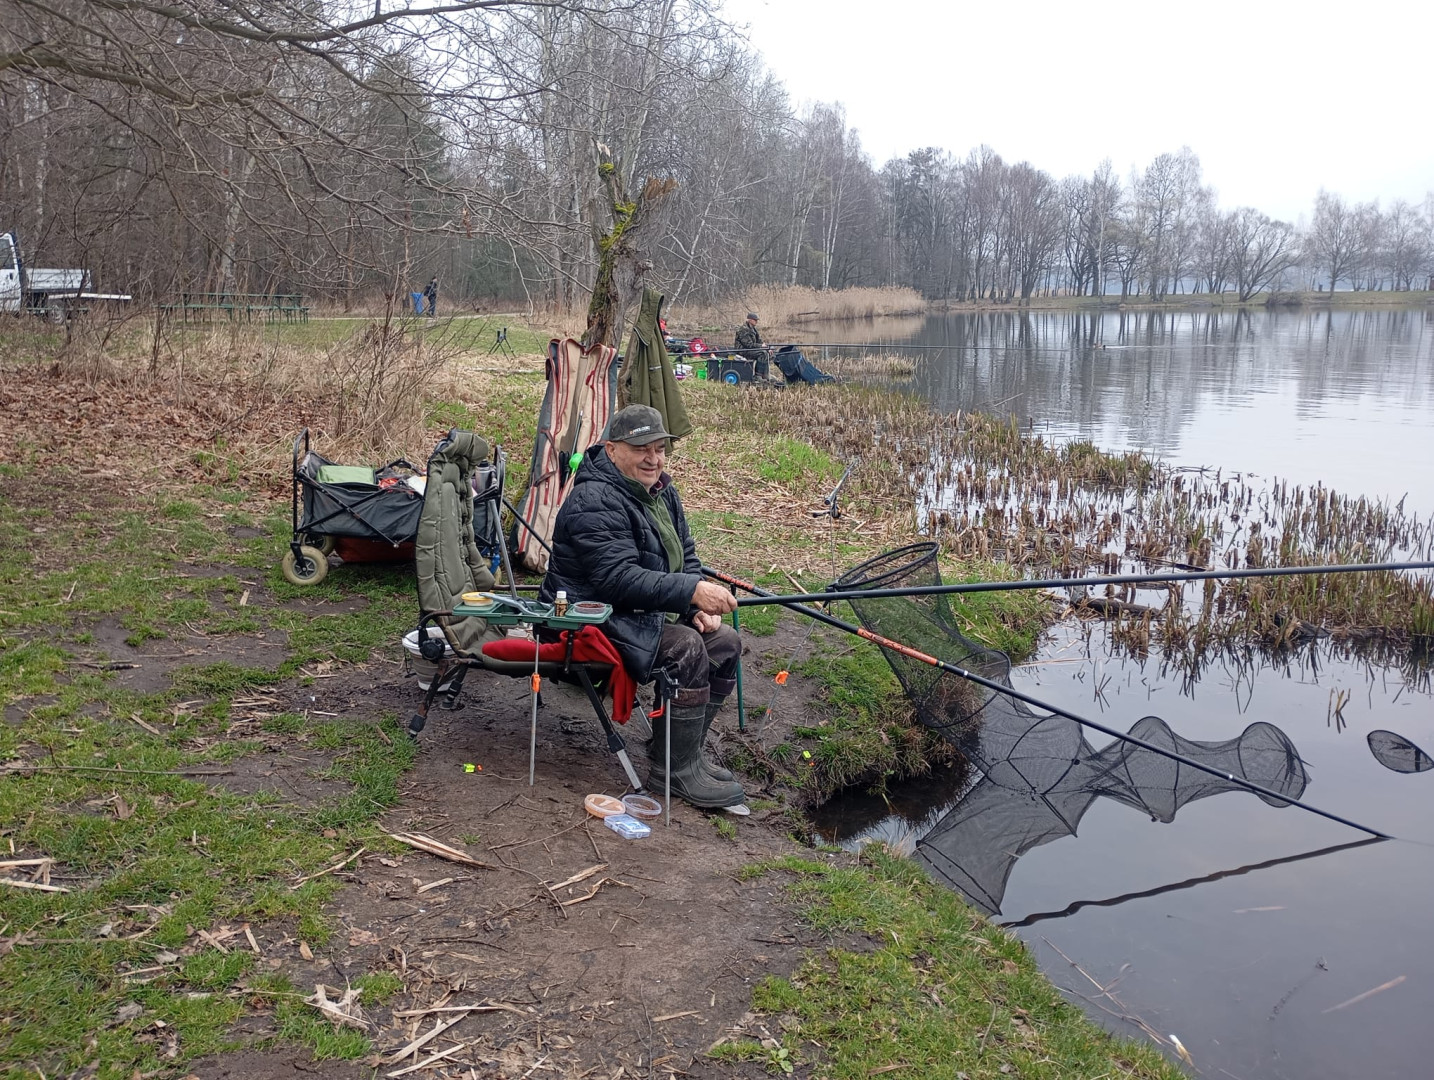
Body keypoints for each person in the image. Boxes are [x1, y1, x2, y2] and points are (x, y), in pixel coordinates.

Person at [540, 404, 747, 810]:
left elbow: (686, 556)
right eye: (641, 449)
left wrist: (693, 608)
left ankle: (681, 753)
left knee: (725, 642)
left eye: (660, 448)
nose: (654, 459)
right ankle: (673, 773)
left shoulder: (661, 491)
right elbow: (617, 579)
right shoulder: (593, 499)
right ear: (612, 449)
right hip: (587, 618)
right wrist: (691, 591)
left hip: (634, 613)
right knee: (686, 647)